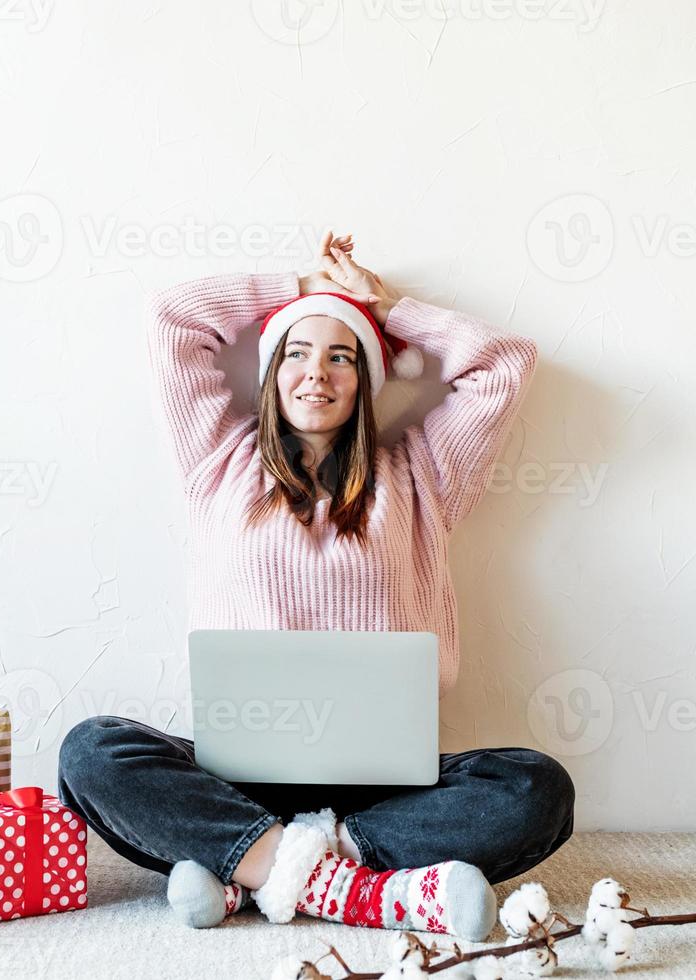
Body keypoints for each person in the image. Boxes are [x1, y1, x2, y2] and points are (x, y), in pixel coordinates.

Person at [57, 230, 575, 942]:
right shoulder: (215, 460)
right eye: (296, 353)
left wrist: (385, 307)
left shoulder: (424, 476)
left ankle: (251, 867)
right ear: (271, 373)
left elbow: (503, 365)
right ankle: (353, 888)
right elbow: (172, 320)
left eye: (342, 357)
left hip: (386, 788)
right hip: (238, 777)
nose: (316, 374)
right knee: (92, 752)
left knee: (535, 789)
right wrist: (301, 290)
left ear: (365, 380)